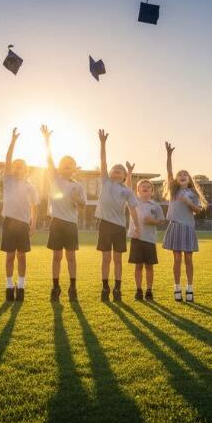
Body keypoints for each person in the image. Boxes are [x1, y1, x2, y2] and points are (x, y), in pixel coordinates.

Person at [41, 124, 86, 302]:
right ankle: (55, 287)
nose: (67, 167)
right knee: (57, 256)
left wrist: (77, 200)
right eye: (64, 165)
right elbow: (49, 160)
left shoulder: (79, 186)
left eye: (70, 165)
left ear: (75, 168)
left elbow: (83, 205)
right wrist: (47, 140)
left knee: (71, 257)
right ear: (59, 168)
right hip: (57, 223)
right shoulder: (55, 179)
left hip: (71, 224)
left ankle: (73, 288)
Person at [95, 129, 140, 302]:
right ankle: (105, 287)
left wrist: (136, 227)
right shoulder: (105, 181)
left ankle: (117, 289)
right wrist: (103, 143)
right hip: (105, 225)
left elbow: (133, 211)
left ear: (124, 176)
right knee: (106, 259)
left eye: (120, 171)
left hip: (119, 227)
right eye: (114, 169)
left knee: (118, 260)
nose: (116, 172)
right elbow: (103, 161)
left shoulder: (127, 191)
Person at [162, 141, 207, 302]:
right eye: (179, 174)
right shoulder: (173, 191)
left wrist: (188, 203)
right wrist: (169, 155)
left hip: (188, 228)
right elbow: (168, 171)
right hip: (175, 227)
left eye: (185, 174)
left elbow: (199, 210)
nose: (182, 176)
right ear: (176, 179)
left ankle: (189, 288)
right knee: (177, 259)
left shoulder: (192, 194)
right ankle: (177, 288)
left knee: (188, 259)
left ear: (189, 180)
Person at [1, 128, 38, 301]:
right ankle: (9, 285)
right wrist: (12, 142)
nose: (17, 168)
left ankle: (21, 285)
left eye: (21, 166)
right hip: (9, 222)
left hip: (23, 224)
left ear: (26, 169)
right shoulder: (8, 180)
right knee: (10, 256)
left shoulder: (30, 186)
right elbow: (7, 159)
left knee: (22, 256)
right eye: (15, 166)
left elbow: (34, 206)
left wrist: (33, 223)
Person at [127, 178, 165, 300]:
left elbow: (161, 221)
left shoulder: (156, 206)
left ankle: (149, 290)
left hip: (149, 239)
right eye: (142, 186)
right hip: (137, 238)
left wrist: (152, 221)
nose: (145, 188)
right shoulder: (135, 202)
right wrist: (128, 173)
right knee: (138, 266)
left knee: (149, 266)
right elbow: (128, 188)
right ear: (137, 190)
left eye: (148, 187)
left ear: (152, 191)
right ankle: (138, 290)